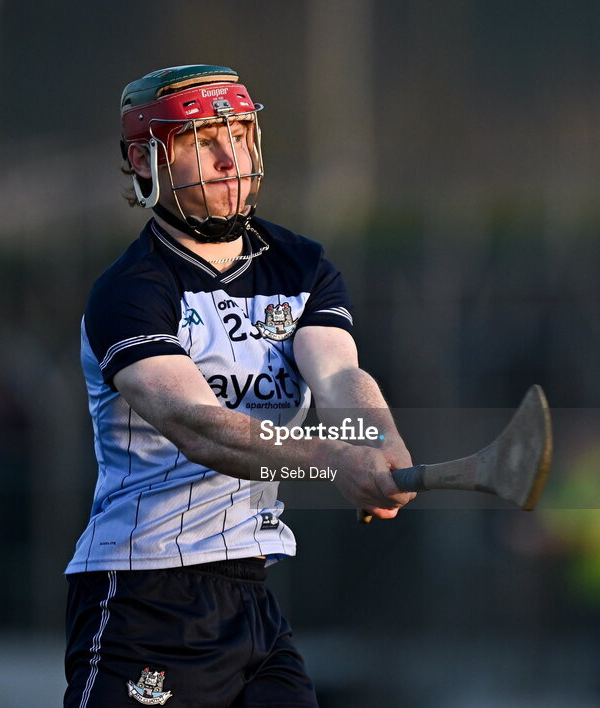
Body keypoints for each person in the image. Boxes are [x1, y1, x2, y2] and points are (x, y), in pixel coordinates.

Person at [64, 64, 416, 707]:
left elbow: (339, 373)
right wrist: (334, 459)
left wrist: (377, 440)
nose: (230, 159)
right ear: (147, 164)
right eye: (202, 140)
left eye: (241, 134)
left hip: (250, 591)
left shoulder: (300, 265)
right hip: (144, 596)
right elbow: (198, 426)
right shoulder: (132, 292)